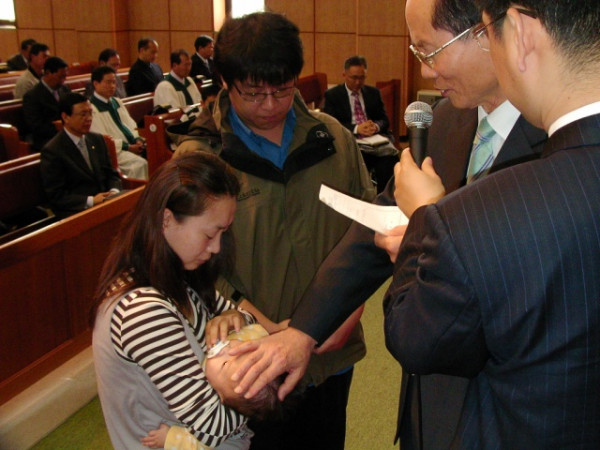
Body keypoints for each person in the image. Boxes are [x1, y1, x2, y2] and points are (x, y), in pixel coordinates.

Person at [225, 1, 547, 449]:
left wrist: (429, 240)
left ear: (487, 30)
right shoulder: (448, 119)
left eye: (431, 51)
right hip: (430, 398)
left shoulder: (557, 137)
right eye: (419, 54)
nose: (427, 71)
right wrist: (304, 330)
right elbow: (372, 228)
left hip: (511, 402)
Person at [382, 0, 600, 446]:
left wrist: (424, 221)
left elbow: (413, 337)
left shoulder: (474, 220)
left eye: (488, 31)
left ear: (518, 30)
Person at [170, 11, 375, 450]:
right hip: (250, 366)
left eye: (282, 90)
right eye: (253, 93)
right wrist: (257, 321)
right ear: (225, 82)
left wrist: (349, 311)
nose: (269, 105)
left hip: (331, 350)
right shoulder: (201, 157)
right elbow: (186, 260)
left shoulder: (333, 138)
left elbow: (368, 225)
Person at [91, 152, 256, 449]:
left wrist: (237, 318)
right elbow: (213, 426)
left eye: (223, 233)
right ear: (167, 220)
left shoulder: (179, 277)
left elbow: (254, 325)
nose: (217, 248)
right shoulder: (143, 311)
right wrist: (261, 398)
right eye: (210, 234)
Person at [142, 324, 289, 450]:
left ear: (219, 396)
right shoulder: (250, 342)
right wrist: (233, 317)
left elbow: (200, 444)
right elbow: (257, 331)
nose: (224, 350)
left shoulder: (214, 415)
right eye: (238, 348)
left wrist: (170, 438)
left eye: (225, 364)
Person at [324, 55, 398, 192]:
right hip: (351, 141)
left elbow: (384, 120)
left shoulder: (373, 93)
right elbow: (331, 123)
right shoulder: (333, 95)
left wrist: (375, 126)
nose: (358, 82)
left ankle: (383, 198)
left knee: (389, 160)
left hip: (375, 141)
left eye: (362, 77)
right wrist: (357, 128)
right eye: (354, 78)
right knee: (357, 164)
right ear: (344, 75)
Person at [40, 93, 122, 218]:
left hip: (106, 203)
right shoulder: (53, 150)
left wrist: (114, 191)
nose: (89, 119)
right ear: (66, 117)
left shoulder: (97, 139)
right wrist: (91, 201)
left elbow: (112, 173)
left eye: (90, 113)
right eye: (83, 114)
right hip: (78, 212)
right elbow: (57, 195)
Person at [89, 65, 148, 179]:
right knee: (139, 165)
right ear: (96, 84)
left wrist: (137, 139)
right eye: (108, 82)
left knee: (156, 153)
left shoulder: (116, 102)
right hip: (115, 152)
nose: (112, 86)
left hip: (131, 146)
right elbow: (102, 139)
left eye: (114, 82)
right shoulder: (92, 108)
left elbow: (130, 124)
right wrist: (128, 147)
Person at [23, 56, 71, 151]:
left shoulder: (64, 89)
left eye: (65, 77)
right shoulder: (32, 96)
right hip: (46, 139)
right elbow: (35, 126)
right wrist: (57, 127)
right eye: (61, 77)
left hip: (67, 133)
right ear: (48, 73)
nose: (64, 80)